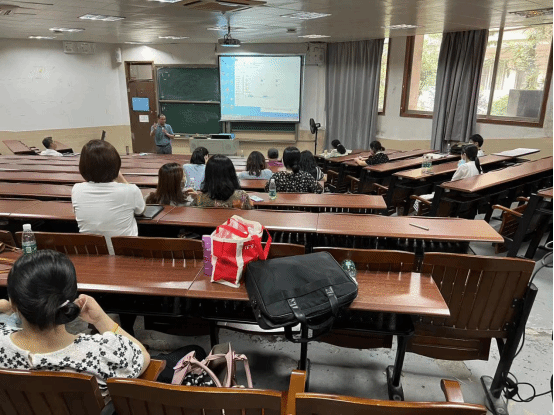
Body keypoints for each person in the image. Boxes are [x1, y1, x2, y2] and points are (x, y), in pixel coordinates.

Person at [0, 250, 150, 401]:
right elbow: (143, 356)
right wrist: (101, 319)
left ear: (13, 302)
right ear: (69, 299)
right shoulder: (102, 352)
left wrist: (9, 307)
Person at [72, 140, 145, 254]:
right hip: (126, 253)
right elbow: (140, 210)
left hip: (93, 253)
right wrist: (121, 179)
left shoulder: (77, 189)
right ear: (116, 164)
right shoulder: (130, 190)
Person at [413, 144, 482, 213]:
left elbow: (452, 182)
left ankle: (417, 212)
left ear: (464, 155)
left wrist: (459, 167)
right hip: (466, 192)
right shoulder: (477, 165)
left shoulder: (464, 166)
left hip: (455, 194)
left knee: (426, 195)